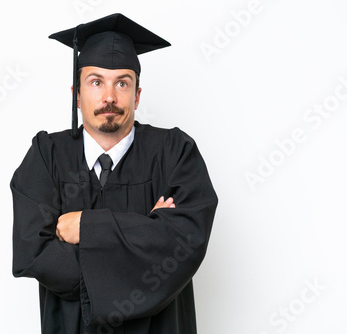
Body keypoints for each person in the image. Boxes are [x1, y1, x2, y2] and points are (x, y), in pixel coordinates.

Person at [11, 13, 218, 334]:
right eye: (96, 82)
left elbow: (184, 246)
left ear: (136, 94)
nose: (109, 96)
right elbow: (33, 255)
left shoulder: (175, 152)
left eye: (122, 83)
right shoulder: (46, 155)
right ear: (76, 94)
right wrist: (146, 237)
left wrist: (86, 227)